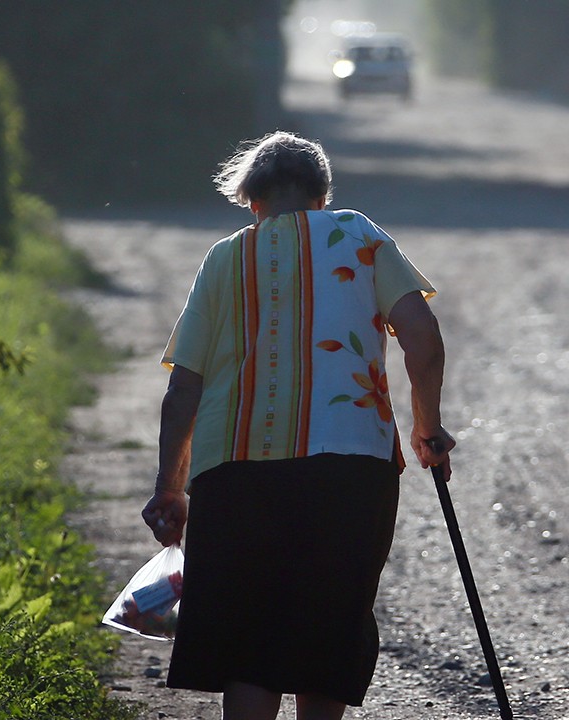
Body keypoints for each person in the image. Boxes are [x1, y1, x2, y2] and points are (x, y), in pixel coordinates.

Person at [141, 131, 455, 720]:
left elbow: (184, 386)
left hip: (235, 473)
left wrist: (170, 488)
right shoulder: (357, 235)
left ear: (252, 200)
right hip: (351, 465)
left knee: (250, 640)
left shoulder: (225, 256)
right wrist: (426, 427)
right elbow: (423, 338)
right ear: (320, 198)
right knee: (330, 623)